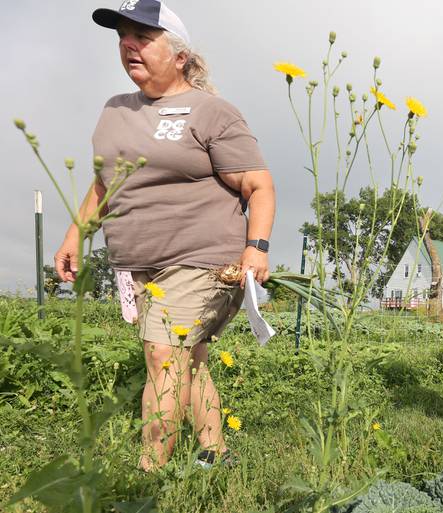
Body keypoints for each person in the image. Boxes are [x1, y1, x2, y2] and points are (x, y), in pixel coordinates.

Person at [55, 0, 275, 470]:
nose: (127, 44)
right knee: (185, 357)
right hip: (140, 263)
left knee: (162, 356)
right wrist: (75, 235)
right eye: (122, 36)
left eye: (142, 36)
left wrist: (256, 248)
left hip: (202, 259)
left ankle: (148, 476)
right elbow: (104, 185)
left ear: (179, 55)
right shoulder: (114, 111)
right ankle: (216, 454)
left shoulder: (212, 111)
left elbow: (258, 185)